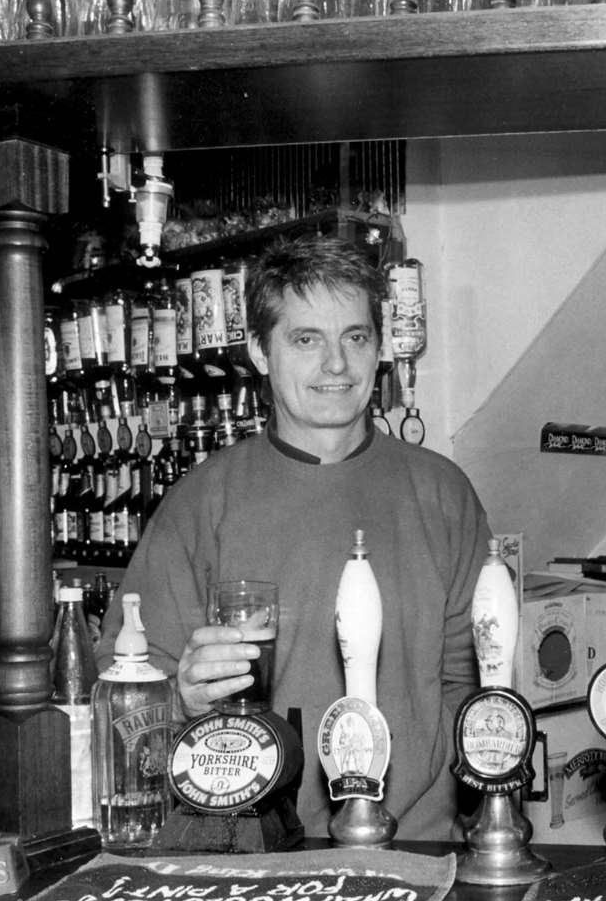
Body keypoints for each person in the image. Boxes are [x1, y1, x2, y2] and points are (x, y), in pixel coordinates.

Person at [97, 235, 492, 840]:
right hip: (251, 857)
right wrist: (184, 697)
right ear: (258, 350)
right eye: (306, 339)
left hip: (419, 848)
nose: (337, 365)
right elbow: (126, 690)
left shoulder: (444, 493)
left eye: (355, 338)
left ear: (379, 346)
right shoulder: (203, 503)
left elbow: (476, 687)